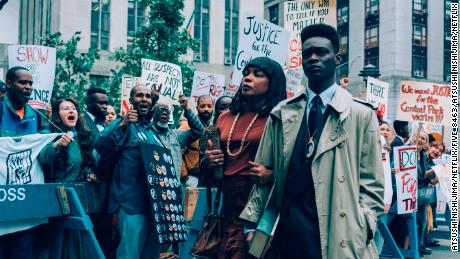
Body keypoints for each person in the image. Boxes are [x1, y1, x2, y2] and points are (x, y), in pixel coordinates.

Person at [239, 24, 384, 258]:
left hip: (339, 233)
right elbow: (261, 175)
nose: (313, 58)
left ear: (337, 58)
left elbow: (372, 184)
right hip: (286, 235)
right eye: (307, 54)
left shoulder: (361, 115)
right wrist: (252, 224)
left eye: (321, 52)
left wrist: (363, 225)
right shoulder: (282, 112)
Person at [203, 56, 287, 259]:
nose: (248, 78)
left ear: (273, 82)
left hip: (259, 205)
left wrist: (273, 175)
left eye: (258, 74)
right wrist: (209, 161)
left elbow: (296, 163)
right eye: (246, 73)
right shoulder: (225, 117)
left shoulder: (281, 117)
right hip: (228, 204)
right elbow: (208, 170)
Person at [95, 85, 162, 259]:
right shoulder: (122, 122)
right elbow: (100, 144)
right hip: (129, 203)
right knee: (129, 254)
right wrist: (123, 123)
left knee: (150, 255)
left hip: (152, 205)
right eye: (140, 95)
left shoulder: (150, 130)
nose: (145, 99)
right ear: (131, 100)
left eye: (148, 96)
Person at [38, 98, 97, 259]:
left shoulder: (82, 137)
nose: (72, 111)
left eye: (73, 108)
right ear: (57, 116)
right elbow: (42, 158)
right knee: (58, 247)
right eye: (66, 109)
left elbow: (85, 163)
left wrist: (89, 171)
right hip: (55, 200)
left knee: (77, 245)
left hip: (77, 199)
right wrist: (56, 145)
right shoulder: (49, 135)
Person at [0, 66, 45, 259]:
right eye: (22, 82)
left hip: (25, 198)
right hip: (2, 199)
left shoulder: (35, 115)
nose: (28, 87)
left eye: (30, 83)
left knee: (22, 250)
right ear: (9, 84)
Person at [152, 98, 204, 184]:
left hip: (173, 186)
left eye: (167, 111)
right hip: (154, 183)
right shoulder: (148, 133)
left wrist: (187, 110)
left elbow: (199, 131)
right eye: (161, 110)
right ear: (153, 114)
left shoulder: (176, 136)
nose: (164, 112)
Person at [179, 95, 214, 187]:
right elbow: (177, 152)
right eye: (202, 106)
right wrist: (185, 177)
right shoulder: (185, 127)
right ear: (197, 108)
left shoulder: (214, 128)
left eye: (209, 106)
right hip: (191, 177)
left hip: (208, 177)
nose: (206, 109)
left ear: (213, 108)